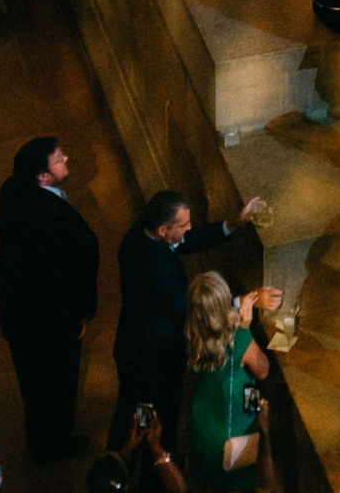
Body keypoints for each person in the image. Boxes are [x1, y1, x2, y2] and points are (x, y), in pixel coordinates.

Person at [108, 188, 267, 455]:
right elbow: (196, 309)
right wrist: (246, 301)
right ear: (162, 230)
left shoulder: (142, 233)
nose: (189, 228)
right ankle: (155, 465)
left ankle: (122, 460)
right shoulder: (158, 273)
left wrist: (233, 222)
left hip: (132, 346)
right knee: (155, 412)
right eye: (183, 224)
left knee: (132, 408)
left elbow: (187, 240)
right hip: (153, 361)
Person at [0, 134, 100, 464]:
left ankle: (40, 433)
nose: (66, 159)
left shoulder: (11, 191)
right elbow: (70, 271)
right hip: (50, 321)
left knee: (33, 382)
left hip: (19, 312)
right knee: (57, 382)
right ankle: (53, 443)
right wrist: (80, 314)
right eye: (58, 158)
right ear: (42, 176)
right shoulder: (51, 218)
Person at [184, 273, 272, 493]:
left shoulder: (191, 334)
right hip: (234, 431)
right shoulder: (239, 339)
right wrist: (245, 328)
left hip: (205, 424)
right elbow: (263, 370)